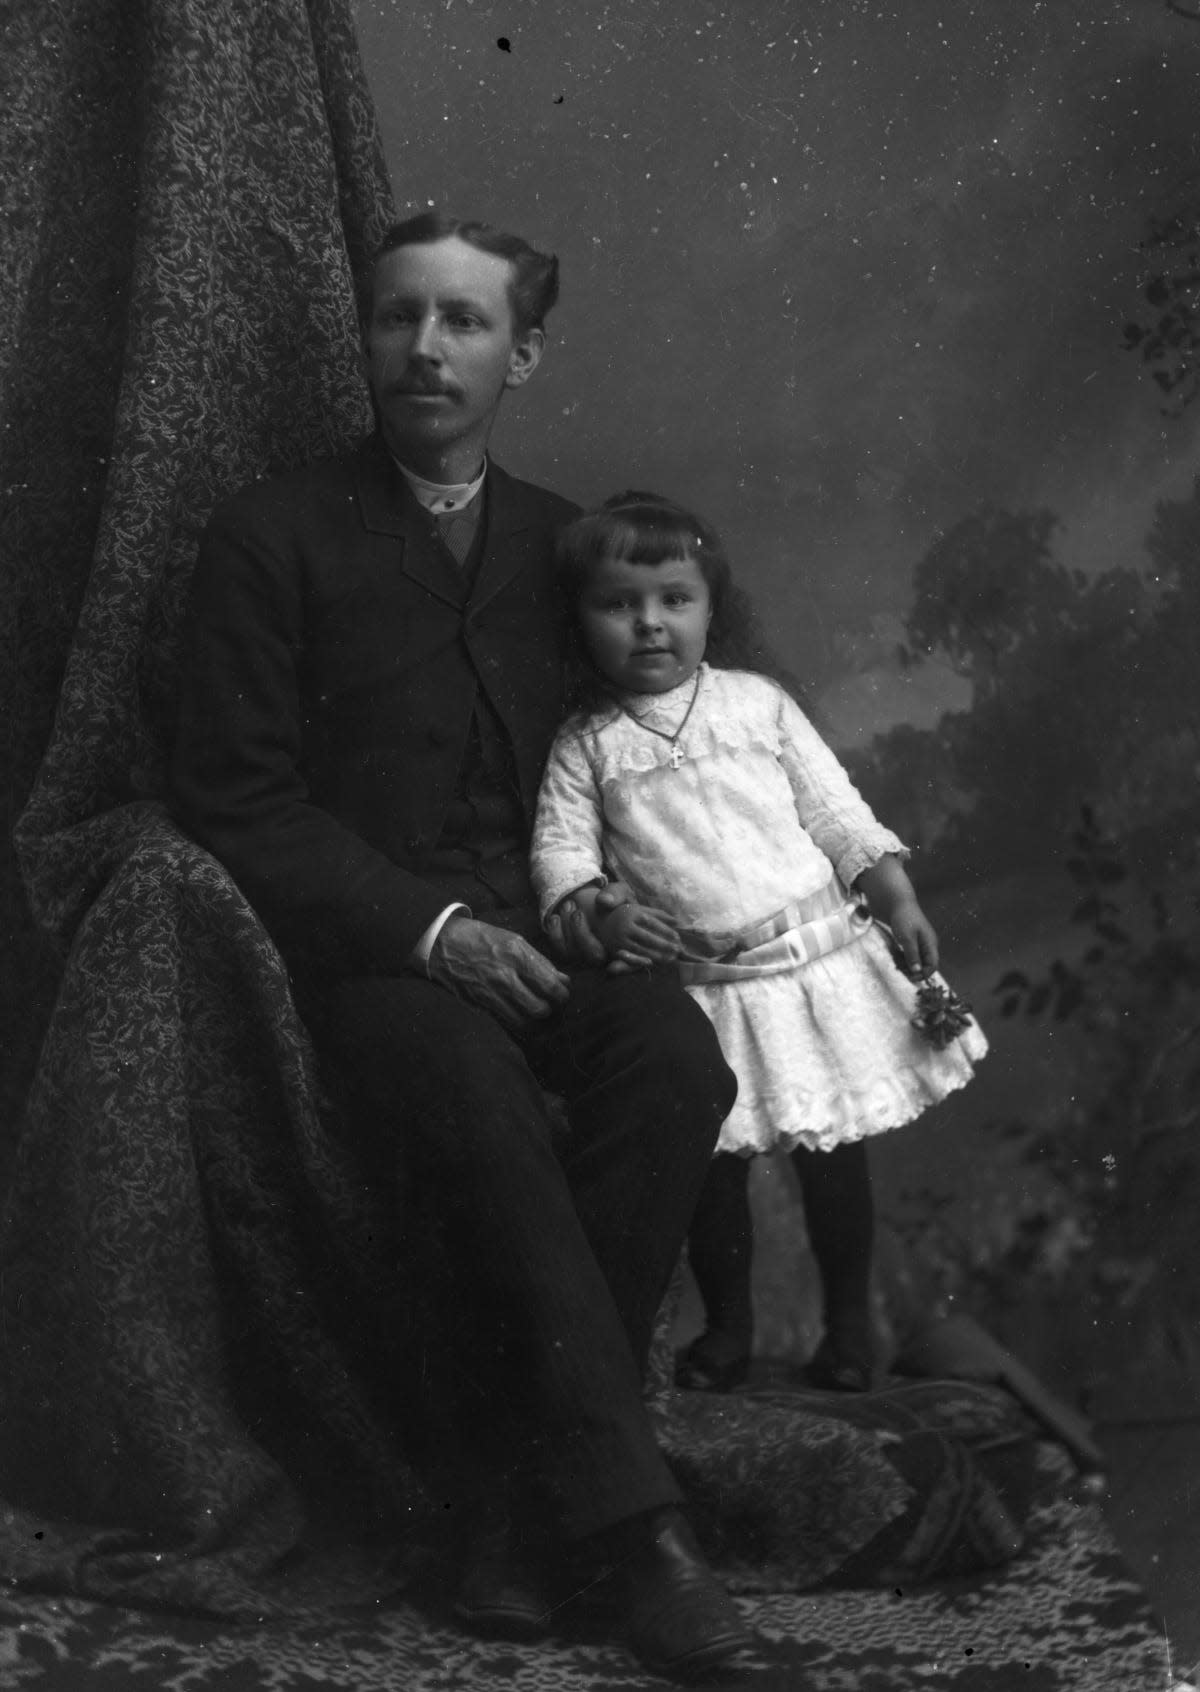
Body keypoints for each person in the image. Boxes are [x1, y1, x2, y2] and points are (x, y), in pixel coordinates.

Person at [170, 215, 754, 1680]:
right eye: (399, 319)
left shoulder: (572, 546)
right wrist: (431, 932)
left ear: (524, 352)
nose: (427, 350)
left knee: (677, 1059)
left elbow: (649, 749)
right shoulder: (273, 533)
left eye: (466, 323)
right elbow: (233, 793)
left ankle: (507, 1510)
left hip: (551, 928)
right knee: (472, 1091)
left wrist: (608, 898)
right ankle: (635, 1537)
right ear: (365, 338)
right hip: (376, 953)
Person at [529, 491, 989, 1399]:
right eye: (620, 605)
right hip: (704, 988)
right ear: (581, 619)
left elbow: (835, 810)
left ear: (711, 605)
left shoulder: (758, 706)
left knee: (833, 1155)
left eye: (674, 598)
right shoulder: (586, 747)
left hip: (814, 965)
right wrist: (598, 910)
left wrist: (892, 894)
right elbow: (559, 856)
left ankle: (851, 1323)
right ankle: (729, 1329)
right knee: (715, 1175)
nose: (650, 623)